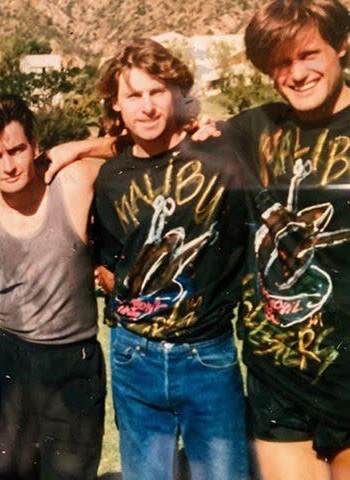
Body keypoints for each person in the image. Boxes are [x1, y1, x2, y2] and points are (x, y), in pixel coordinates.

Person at [59, 38, 249, 480]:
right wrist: (81, 148)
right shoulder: (111, 179)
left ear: (177, 94)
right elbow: (107, 265)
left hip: (207, 355)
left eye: (156, 91)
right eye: (134, 95)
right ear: (117, 105)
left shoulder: (220, 150)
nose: (146, 107)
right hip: (133, 358)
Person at [227, 1, 350, 478]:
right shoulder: (252, 130)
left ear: (341, 45)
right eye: (281, 61)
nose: (296, 73)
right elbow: (153, 136)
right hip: (278, 382)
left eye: (309, 55)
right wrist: (79, 147)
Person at [0, 95, 105, 479]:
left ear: (36, 145)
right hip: (10, 360)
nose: (8, 166)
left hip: (72, 361)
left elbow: (134, 144)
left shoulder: (72, 183)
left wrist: (80, 147)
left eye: (17, 150)